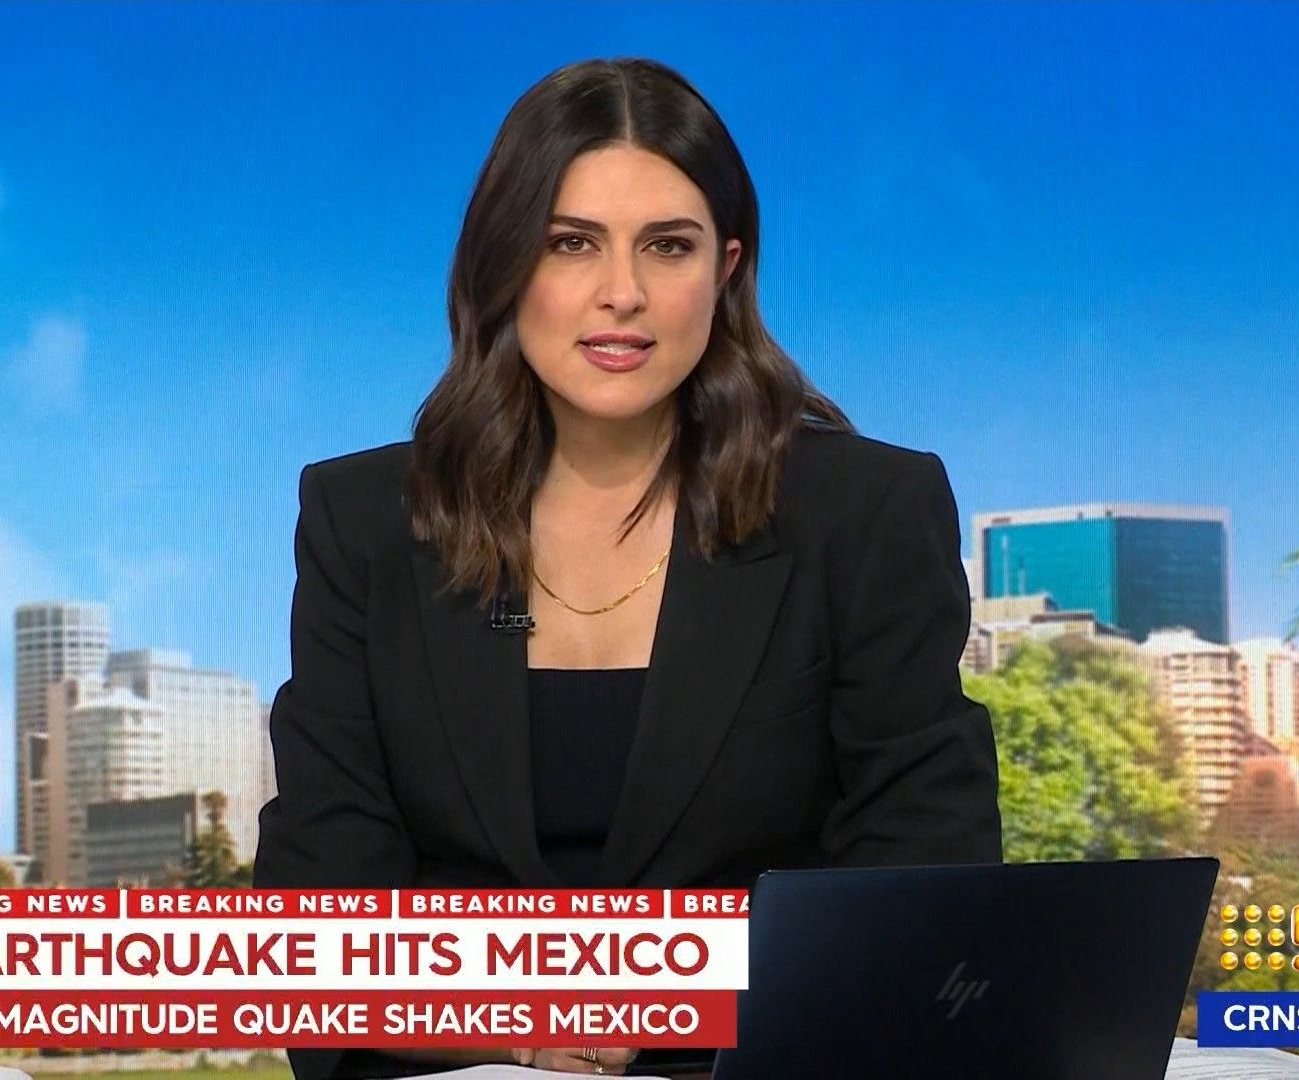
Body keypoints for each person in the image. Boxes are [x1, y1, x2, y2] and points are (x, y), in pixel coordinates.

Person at [253, 57, 1002, 1079]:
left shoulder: (864, 514)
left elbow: (927, 888)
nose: (622, 295)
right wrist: (509, 1019)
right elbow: (320, 920)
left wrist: (658, 998)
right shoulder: (365, 524)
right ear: (503, 264)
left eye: (668, 246)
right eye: (571, 243)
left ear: (726, 269)